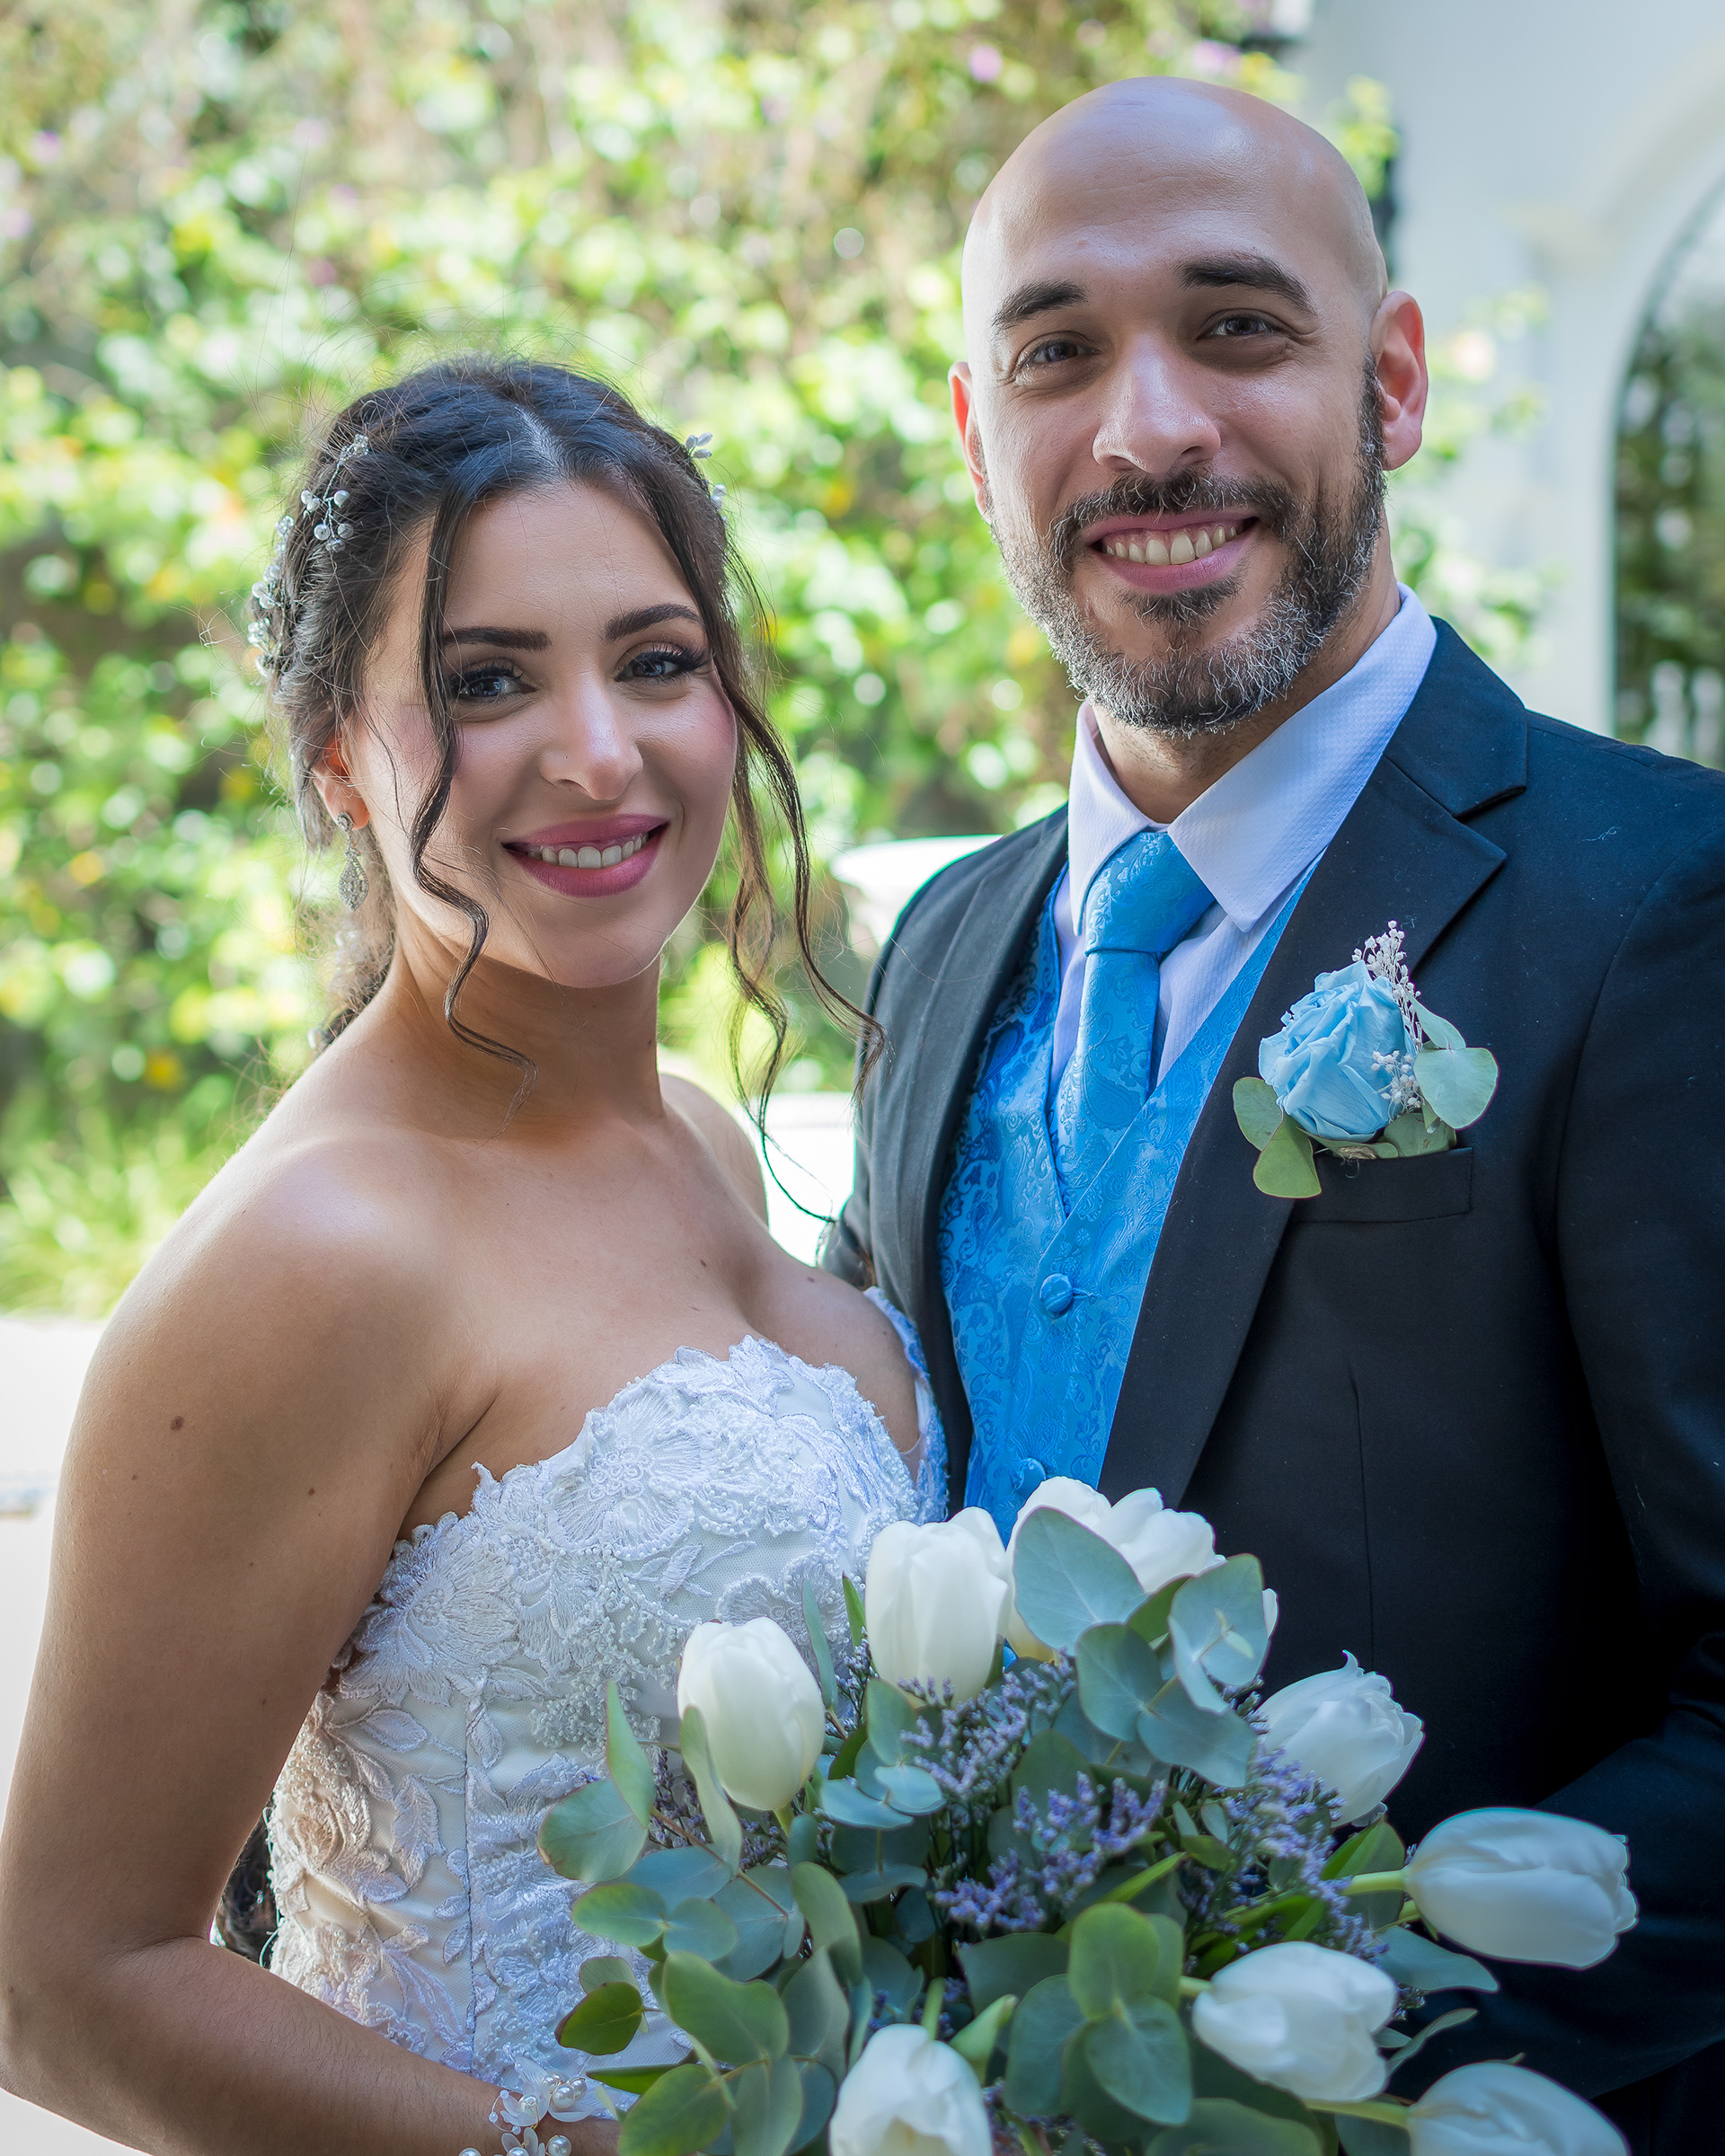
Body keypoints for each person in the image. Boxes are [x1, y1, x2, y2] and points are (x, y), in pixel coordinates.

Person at [825, 77, 1725, 2153]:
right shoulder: (943, 951)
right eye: (1057, 353)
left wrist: (1273, 2053)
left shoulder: (1664, 912)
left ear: (1389, 382)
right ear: (974, 433)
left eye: (1236, 327)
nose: (1147, 430)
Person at [0, 358, 944, 2156]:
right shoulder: (319, 1255)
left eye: (655, 661)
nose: (597, 751)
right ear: (339, 761)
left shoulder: (699, 1145)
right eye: (486, 682)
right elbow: (62, 1986)